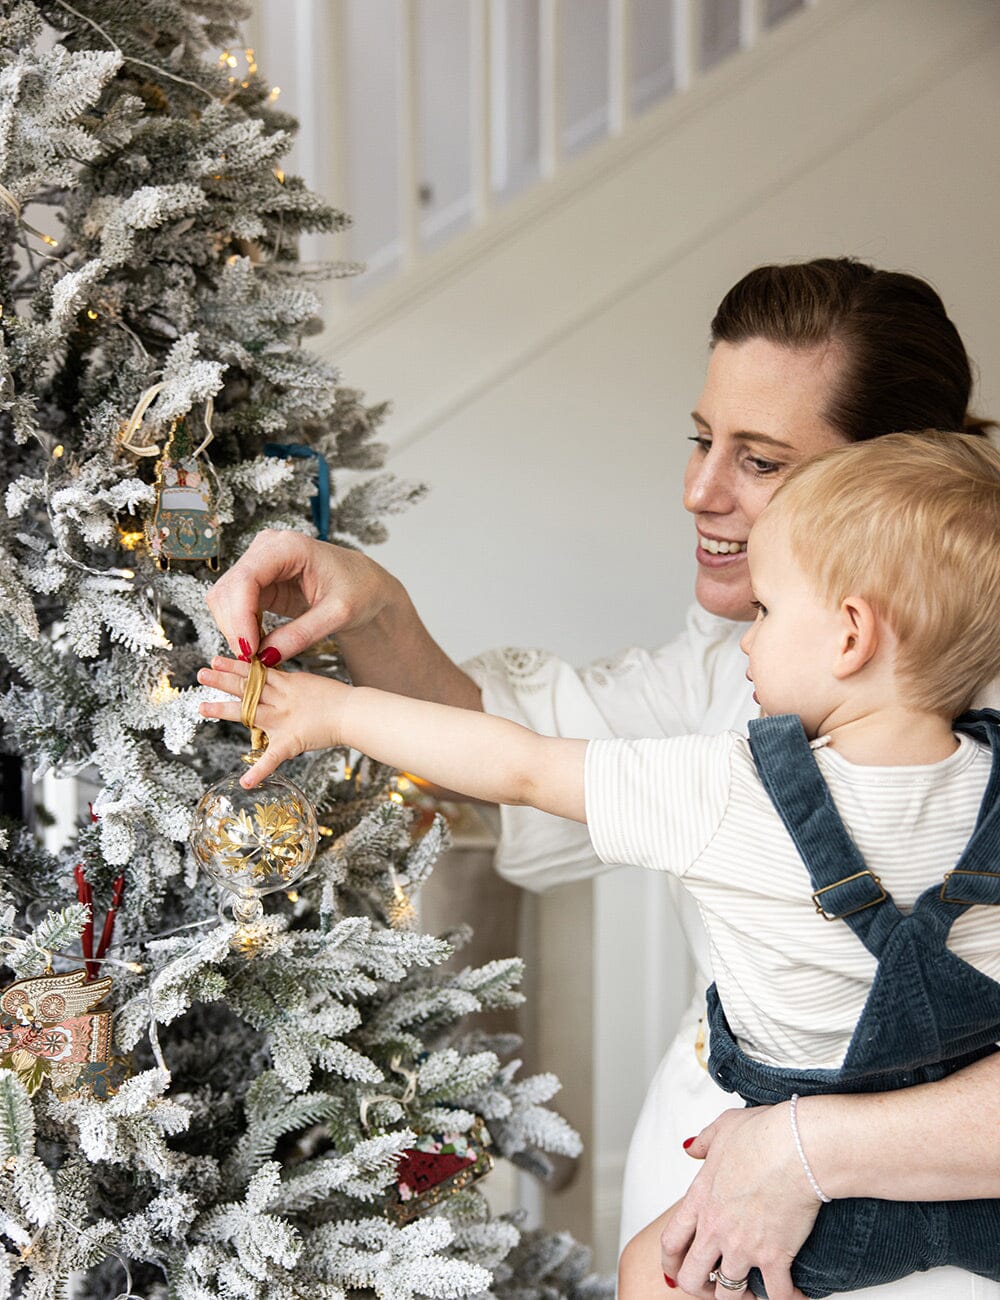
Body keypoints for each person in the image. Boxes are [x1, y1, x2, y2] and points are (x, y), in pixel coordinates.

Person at [202, 259, 1000, 1299]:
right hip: (728, 1186)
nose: (699, 490)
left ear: (876, 485)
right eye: (700, 437)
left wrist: (798, 1149)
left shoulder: (744, 754)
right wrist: (379, 616)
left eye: (758, 460)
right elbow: (513, 750)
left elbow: (531, 769)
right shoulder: (732, 673)